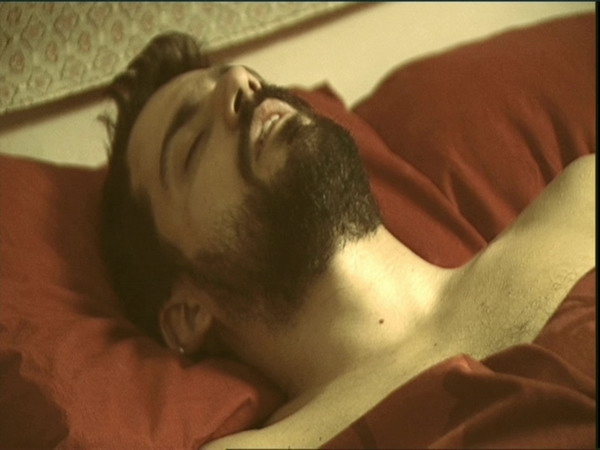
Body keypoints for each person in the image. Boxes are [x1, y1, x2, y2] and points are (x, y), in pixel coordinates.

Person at [100, 32, 595, 448]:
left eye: (244, 75)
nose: (240, 82)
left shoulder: (583, 202)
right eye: (191, 144)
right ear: (188, 315)